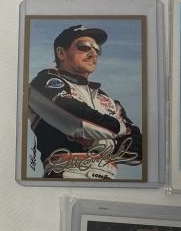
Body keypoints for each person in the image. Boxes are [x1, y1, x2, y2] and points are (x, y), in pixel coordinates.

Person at [28, 24, 142, 179]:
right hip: (67, 174)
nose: (93, 53)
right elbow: (77, 119)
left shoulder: (107, 100)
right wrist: (123, 131)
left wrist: (105, 144)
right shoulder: (43, 83)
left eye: (97, 49)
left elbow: (140, 151)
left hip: (109, 181)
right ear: (61, 53)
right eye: (84, 46)